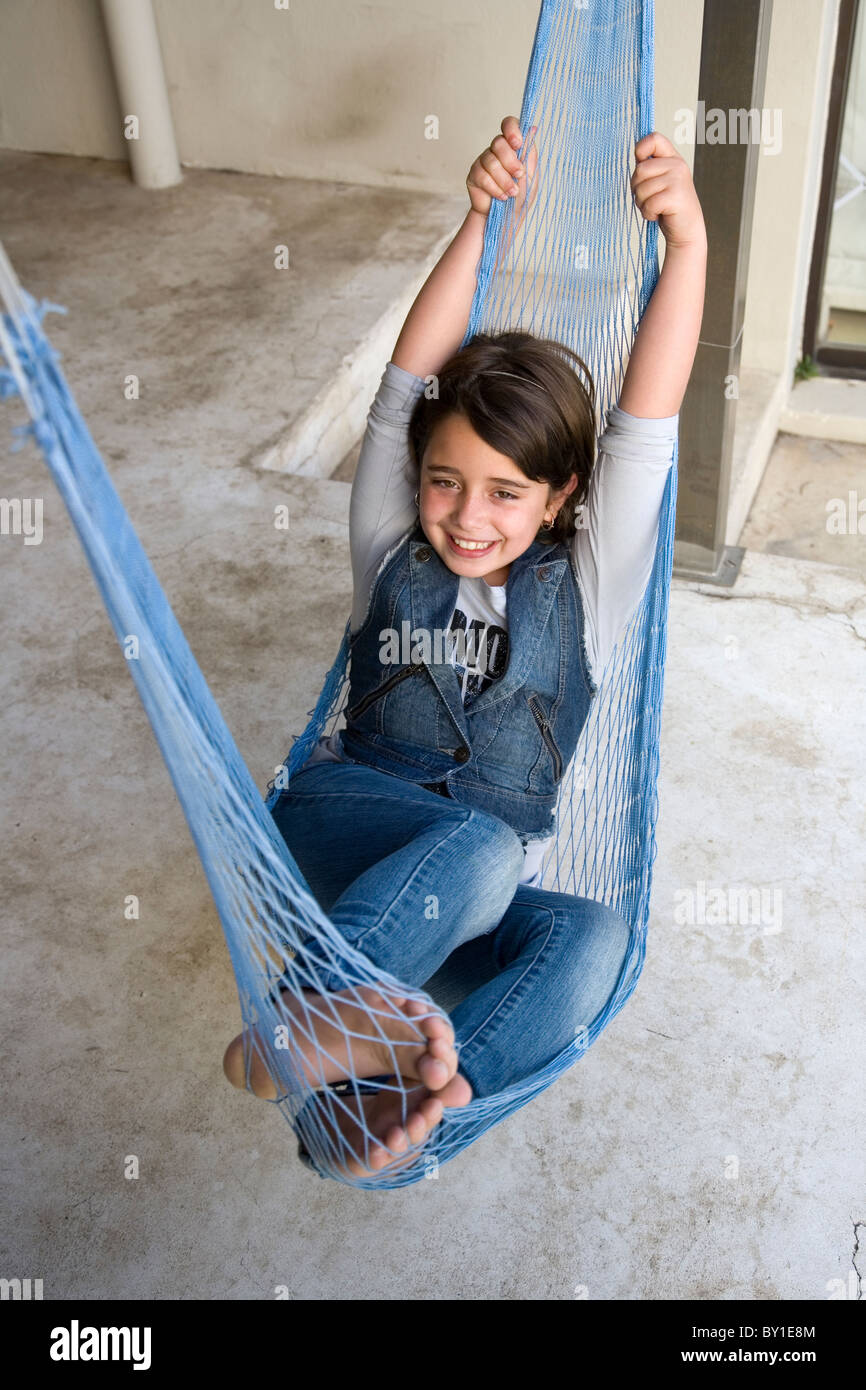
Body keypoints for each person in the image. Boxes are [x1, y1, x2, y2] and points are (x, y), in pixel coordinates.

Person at [223, 116, 707, 1178]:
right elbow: (407, 380)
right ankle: (308, 1022)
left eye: (505, 492)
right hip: (343, 829)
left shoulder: (588, 583)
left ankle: (404, 1111)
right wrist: (477, 216)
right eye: (445, 479)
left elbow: (645, 422)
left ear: (561, 495)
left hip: (462, 898)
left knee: (596, 938)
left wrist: (688, 249)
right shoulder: (390, 540)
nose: (466, 515)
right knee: (481, 847)